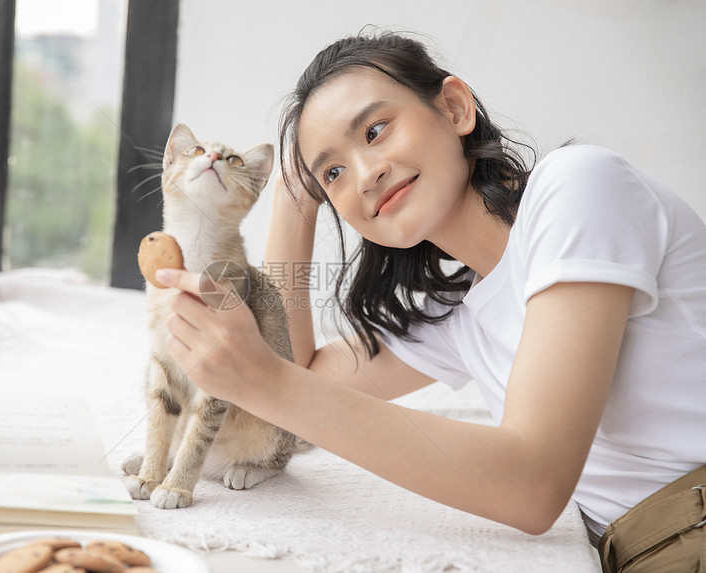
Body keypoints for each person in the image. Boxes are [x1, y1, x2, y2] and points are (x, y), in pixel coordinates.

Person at [153, 32, 706, 572]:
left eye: (375, 130)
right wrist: (293, 202)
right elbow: (304, 377)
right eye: (334, 173)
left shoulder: (580, 186)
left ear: (455, 107)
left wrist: (261, 379)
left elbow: (532, 485)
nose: (366, 175)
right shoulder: (461, 315)